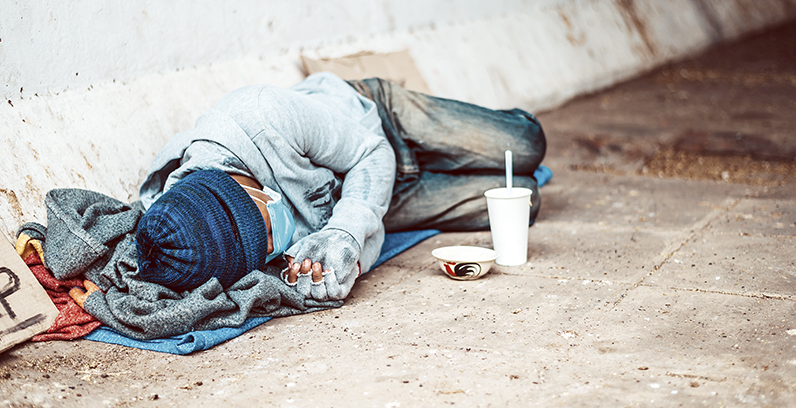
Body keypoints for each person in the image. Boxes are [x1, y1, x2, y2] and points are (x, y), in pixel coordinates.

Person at [134, 72, 546, 302]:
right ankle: (448, 161)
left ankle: (442, 147)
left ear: (246, 185)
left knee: (526, 147)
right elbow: (370, 226)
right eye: (266, 247)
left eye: (267, 224)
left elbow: (373, 155)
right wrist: (344, 266)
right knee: (524, 200)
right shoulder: (210, 248)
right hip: (369, 197)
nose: (278, 240)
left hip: (376, 125)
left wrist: (344, 230)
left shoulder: (261, 114)